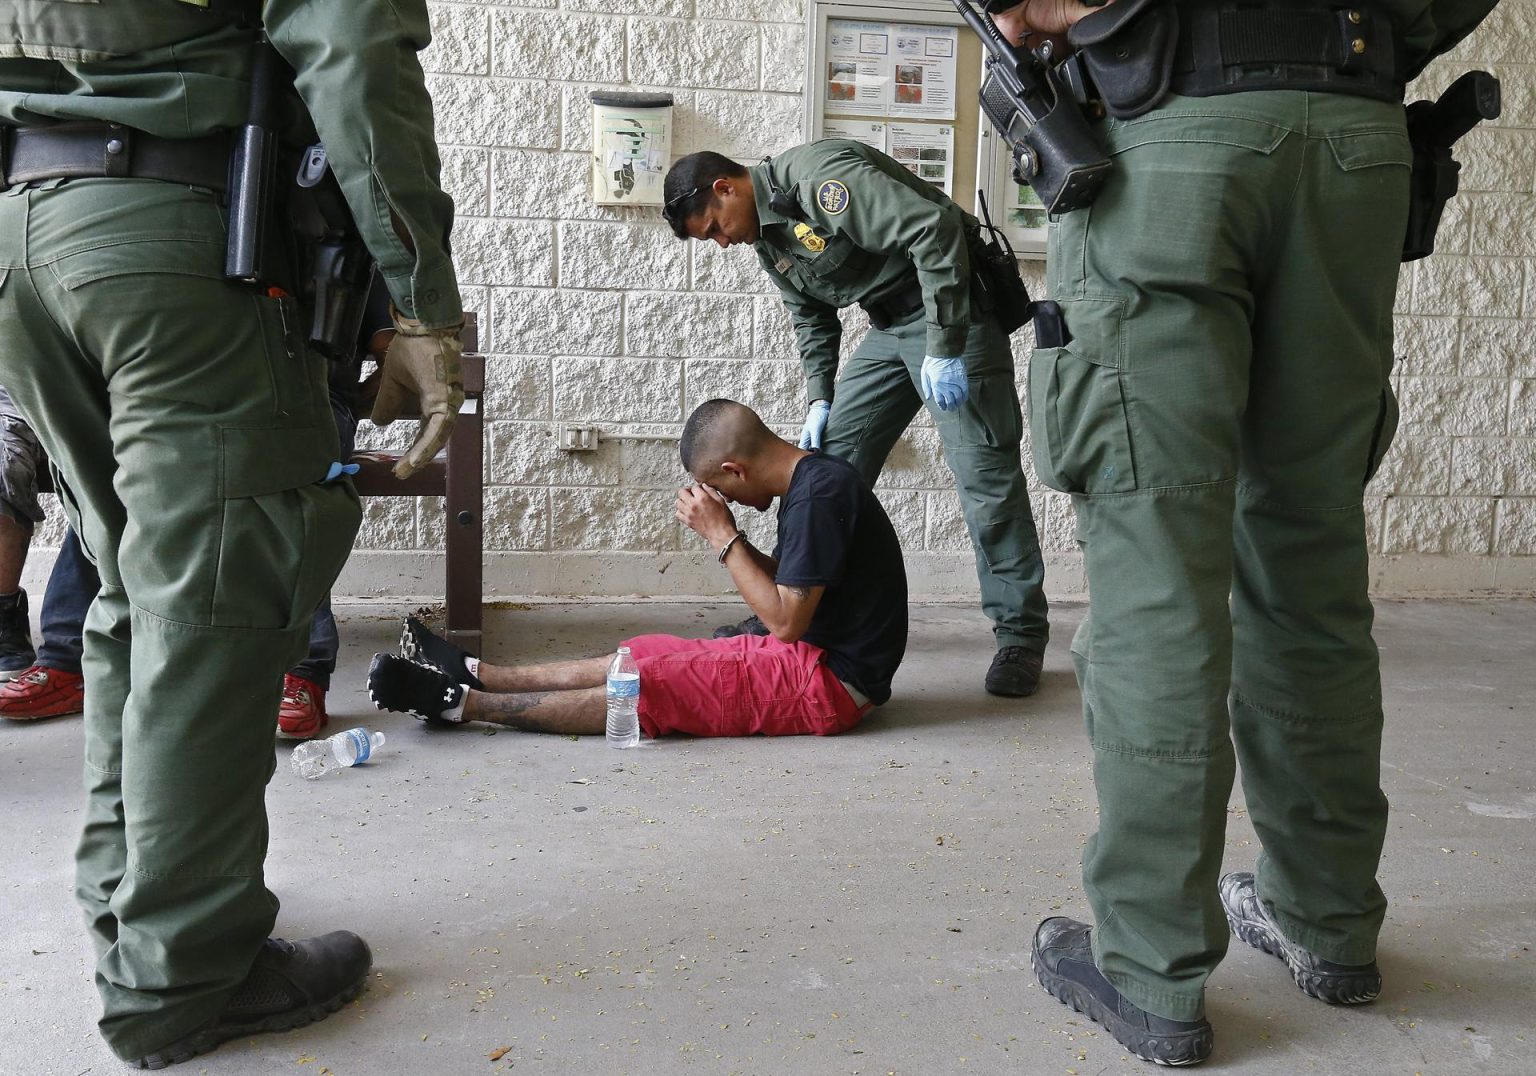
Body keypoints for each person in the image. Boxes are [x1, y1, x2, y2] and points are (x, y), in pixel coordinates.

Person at [982, 0, 1500, 1065]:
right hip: (1351, 143)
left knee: (1160, 578)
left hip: (1168, 146)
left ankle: (1152, 965)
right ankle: (1326, 916)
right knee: (1311, 554)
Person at [0, 1, 464, 1067]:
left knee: (128, 584)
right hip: (175, 240)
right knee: (215, 602)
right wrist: (420, 299)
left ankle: (131, 901)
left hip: (23, 239)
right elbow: (350, 47)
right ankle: (183, 974)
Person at [661, 142, 1049, 699]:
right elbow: (810, 315)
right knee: (824, 470)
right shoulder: (767, 235)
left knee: (986, 483)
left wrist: (944, 344)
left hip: (949, 314)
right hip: (889, 327)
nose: (722, 242)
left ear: (726, 188)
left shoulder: (819, 181)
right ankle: (798, 606)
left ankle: (1020, 635)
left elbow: (931, 228)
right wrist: (821, 397)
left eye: (715, 228)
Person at [369, 399, 909, 740]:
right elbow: (798, 585)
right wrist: (733, 541)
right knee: (644, 652)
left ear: (733, 469)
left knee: (648, 686)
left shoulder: (817, 495)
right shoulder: (814, 485)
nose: (728, 501)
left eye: (721, 488)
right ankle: (482, 673)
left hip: (832, 683)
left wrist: (723, 537)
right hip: (809, 651)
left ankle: (463, 705)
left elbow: (787, 621)